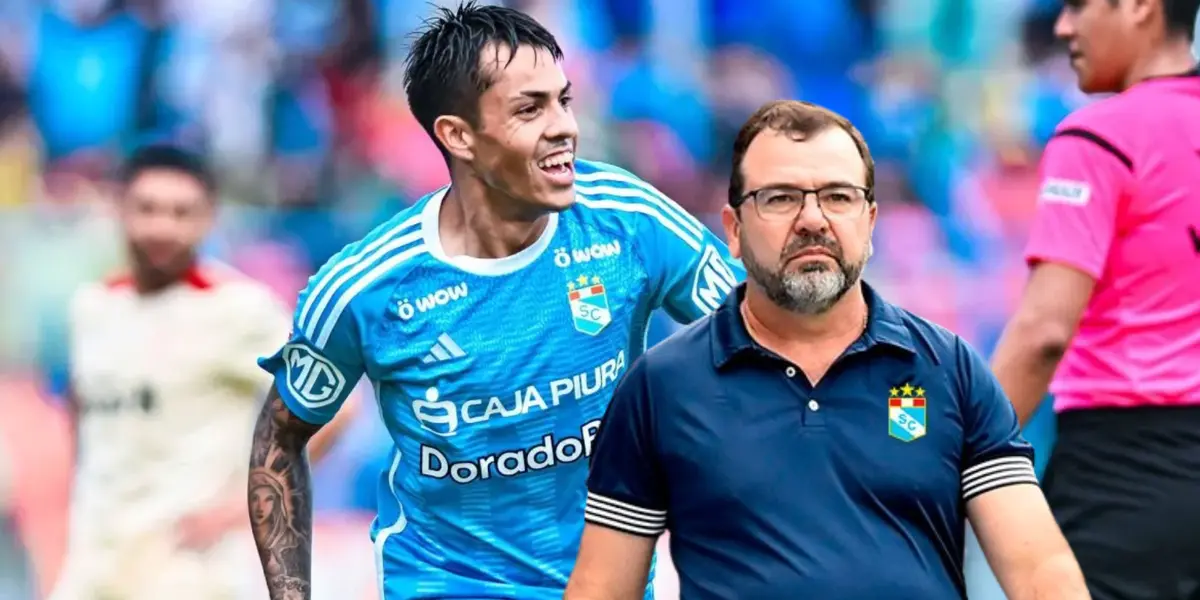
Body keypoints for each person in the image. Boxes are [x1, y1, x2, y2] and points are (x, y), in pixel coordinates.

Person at [247, 3, 742, 599]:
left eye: (564, 100)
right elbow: (281, 434)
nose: (564, 127)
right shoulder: (366, 287)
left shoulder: (626, 220)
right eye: (530, 108)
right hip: (445, 585)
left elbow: (763, 337)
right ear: (459, 136)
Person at [565, 100, 1088, 600]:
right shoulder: (661, 387)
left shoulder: (949, 370)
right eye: (780, 197)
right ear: (733, 230)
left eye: (839, 196)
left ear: (871, 222)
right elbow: (604, 587)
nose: (813, 219)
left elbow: (1039, 568)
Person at [47, 144, 356, 600]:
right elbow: (82, 404)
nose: (163, 227)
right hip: (93, 567)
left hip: (185, 572)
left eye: (181, 212)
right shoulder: (92, 306)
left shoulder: (235, 308)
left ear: (208, 218)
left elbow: (339, 408)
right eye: (148, 209)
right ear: (119, 210)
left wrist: (242, 508)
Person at [989, 0, 1200, 597]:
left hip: (1125, 478)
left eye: (1078, 6)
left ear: (1139, 7)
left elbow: (1043, 333)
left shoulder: (1099, 135)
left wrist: (944, 456)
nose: (1063, 27)